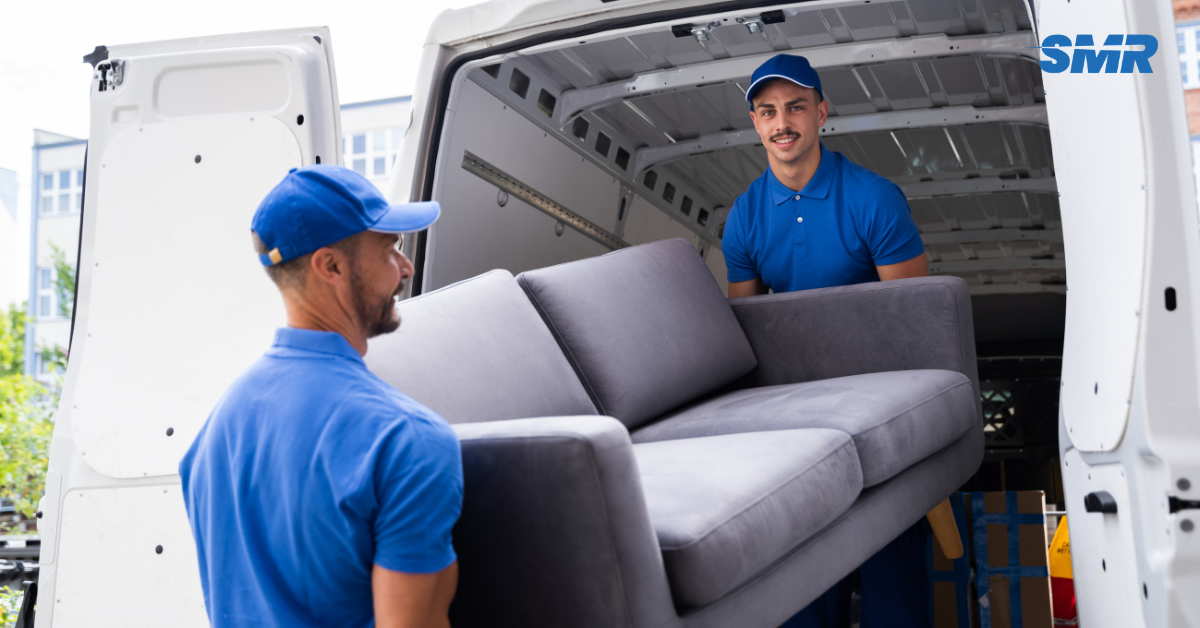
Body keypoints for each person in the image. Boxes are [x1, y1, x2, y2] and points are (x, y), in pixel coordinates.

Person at [179, 165, 462, 628]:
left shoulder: (215, 432)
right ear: (330, 265)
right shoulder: (408, 439)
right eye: (390, 249)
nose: (406, 267)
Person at [722, 55, 931, 628]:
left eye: (794, 107)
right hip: (796, 414)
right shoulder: (743, 218)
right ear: (755, 122)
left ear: (821, 112)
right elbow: (746, 332)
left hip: (880, 402)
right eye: (768, 111)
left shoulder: (873, 198)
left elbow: (917, 324)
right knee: (798, 566)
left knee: (893, 574)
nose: (781, 122)